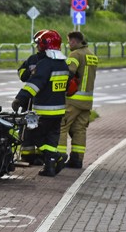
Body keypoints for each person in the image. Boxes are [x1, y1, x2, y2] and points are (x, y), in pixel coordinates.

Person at [12, 30, 70, 177]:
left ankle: (57, 157)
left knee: (34, 136)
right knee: (51, 139)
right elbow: (68, 86)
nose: (37, 46)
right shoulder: (63, 64)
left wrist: (20, 99)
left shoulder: (45, 64)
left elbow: (35, 84)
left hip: (44, 111)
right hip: (59, 111)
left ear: (46, 45)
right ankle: (49, 168)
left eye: (39, 44)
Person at [58, 31, 98, 169]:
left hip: (73, 99)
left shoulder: (75, 54)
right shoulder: (92, 55)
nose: (68, 44)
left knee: (62, 126)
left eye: (69, 42)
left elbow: (69, 72)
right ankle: (77, 160)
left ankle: (59, 158)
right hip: (87, 101)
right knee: (80, 129)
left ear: (74, 41)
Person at [16, 30, 48, 165]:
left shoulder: (51, 61)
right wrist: (29, 73)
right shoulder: (32, 59)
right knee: (27, 128)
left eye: (39, 44)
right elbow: (21, 72)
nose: (37, 46)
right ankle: (27, 155)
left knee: (42, 129)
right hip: (29, 101)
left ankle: (42, 156)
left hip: (43, 101)